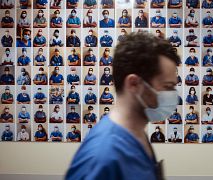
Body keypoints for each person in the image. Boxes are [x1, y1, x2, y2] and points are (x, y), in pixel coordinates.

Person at [66, 32, 180, 179]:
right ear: (134, 84)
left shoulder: (137, 134)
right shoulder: (102, 156)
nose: (172, 95)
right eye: (168, 86)